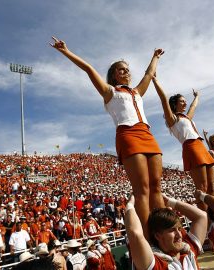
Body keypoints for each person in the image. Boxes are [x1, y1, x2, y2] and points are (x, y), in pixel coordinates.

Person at [50, 37, 165, 237]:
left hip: (147, 134)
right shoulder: (109, 92)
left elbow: (149, 74)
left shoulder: (137, 91)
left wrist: (155, 57)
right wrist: (66, 51)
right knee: (143, 189)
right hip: (128, 135)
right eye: (121, 69)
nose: (126, 72)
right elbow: (88, 69)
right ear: (113, 74)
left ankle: (164, 229)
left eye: (127, 69)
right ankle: (149, 238)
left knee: (156, 186)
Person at [152, 74, 214, 210]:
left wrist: (196, 96)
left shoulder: (186, 117)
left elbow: (193, 106)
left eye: (185, 101)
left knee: (211, 187)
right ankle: (206, 221)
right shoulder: (173, 119)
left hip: (201, 146)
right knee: (202, 188)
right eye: (182, 101)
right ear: (174, 104)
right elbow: (164, 100)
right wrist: (155, 80)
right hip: (191, 147)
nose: (185, 103)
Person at [125, 194, 207, 270]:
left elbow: (202, 216)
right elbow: (135, 234)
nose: (179, 235)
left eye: (179, 229)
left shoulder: (189, 252)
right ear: (157, 236)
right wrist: (130, 206)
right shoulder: (157, 264)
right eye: (172, 230)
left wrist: (170, 202)